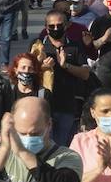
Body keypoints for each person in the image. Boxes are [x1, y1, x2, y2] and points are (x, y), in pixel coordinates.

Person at [35, 8, 92, 146]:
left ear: (66, 26)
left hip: (67, 106)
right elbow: (26, 71)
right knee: (44, 147)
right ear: (46, 28)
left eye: (59, 25)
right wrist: (41, 67)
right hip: (44, 106)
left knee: (63, 147)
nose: (56, 28)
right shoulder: (38, 47)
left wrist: (65, 65)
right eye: (52, 26)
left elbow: (85, 74)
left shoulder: (75, 46)